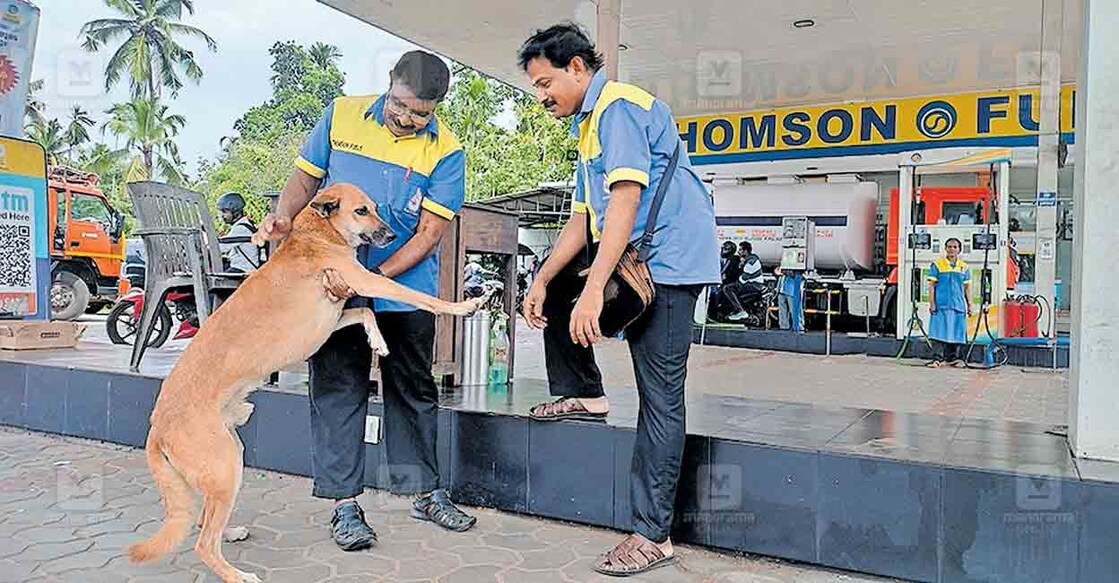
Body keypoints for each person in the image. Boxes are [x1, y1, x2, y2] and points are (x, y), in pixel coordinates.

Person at [517, 23, 719, 576]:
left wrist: (589, 291)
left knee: (660, 397)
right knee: (556, 284)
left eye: (544, 83)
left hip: (669, 266)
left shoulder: (619, 107)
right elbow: (583, 221)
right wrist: (543, 280)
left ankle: (654, 534)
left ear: (578, 67)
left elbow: (626, 199)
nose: (541, 97)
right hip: (633, 261)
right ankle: (584, 392)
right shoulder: (588, 126)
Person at [255, 50, 476, 551]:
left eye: (419, 112)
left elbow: (428, 234)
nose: (405, 117)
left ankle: (423, 491)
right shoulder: (342, 114)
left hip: (402, 286)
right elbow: (306, 180)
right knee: (337, 386)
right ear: (390, 83)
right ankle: (344, 506)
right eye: (400, 104)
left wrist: (368, 277)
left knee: (413, 388)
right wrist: (284, 217)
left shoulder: (446, 150)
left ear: (436, 107)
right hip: (330, 285)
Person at [927, 237, 973, 367]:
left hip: (958, 305)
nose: (952, 249)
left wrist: (969, 305)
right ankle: (937, 359)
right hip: (941, 304)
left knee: (956, 332)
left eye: (955, 247)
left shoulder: (964, 267)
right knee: (938, 332)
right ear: (945, 249)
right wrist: (932, 303)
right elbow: (931, 285)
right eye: (949, 247)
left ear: (959, 250)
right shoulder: (937, 265)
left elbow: (967, 288)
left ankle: (952, 358)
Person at [216, 192, 261, 274]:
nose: (222, 215)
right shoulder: (242, 225)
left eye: (225, 212)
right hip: (240, 266)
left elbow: (219, 247)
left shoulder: (241, 229)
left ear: (235, 212)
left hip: (244, 269)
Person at [720, 241, 764, 322]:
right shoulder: (749, 259)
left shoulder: (751, 262)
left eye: (740, 250)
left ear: (745, 251)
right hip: (752, 284)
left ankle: (740, 310)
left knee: (727, 288)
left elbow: (743, 279)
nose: (738, 252)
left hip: (753, 285)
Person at [774, 264, 804, 332]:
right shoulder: (785, 261)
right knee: (782, 311)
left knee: (794, 310)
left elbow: (797, 275)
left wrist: (785, 271)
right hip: (781, 288)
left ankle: (799, 327)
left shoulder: (798, 264)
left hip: (792, 290)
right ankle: (784, 327)